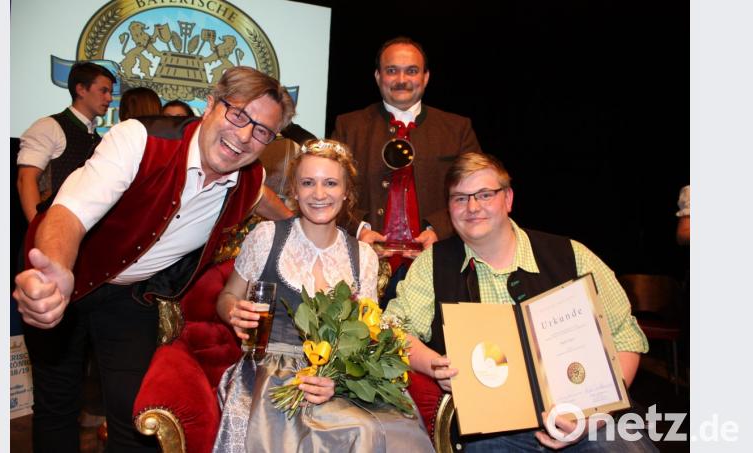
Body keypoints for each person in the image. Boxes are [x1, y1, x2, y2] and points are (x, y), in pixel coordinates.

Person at [13, 66, 295, 452]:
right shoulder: (140, 139)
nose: (245, 136)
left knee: (136, 418)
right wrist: (56, 271)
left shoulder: (250, 179)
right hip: (61, 277)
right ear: (210, 105)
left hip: (130, 296)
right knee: (57, 405)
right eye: (238, 114)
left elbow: (273, 205)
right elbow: (69, 213)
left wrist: (335, 228)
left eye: (262, 131)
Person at [385, 153, 657, 452]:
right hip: (491, 430)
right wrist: (432, 365)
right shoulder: (433, 264)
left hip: (589, 421)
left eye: (485, 194)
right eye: (460, 198)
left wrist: (598, 414)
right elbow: (393, 331)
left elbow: (624, 337)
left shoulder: (571, 255)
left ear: (508, 198)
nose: (472, 207)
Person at [214, 139, 434, 453]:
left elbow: (365, 338)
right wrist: (233, 309)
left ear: (346, 192)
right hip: (271, 374)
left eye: (330, 183)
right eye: (308, 183)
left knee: (393, 427)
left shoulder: (363, 256)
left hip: (335, 377)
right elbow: (226, 296)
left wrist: (338, 379)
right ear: (294, 190)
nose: (319, 194)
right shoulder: (266, 238)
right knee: (357, 429)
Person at [331, 36, 481, 303]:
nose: (401, 80)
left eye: (411, 71)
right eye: (392, 70)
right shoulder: (349, 126)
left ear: (425, 77)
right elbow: (328, 189)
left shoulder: (456, 129)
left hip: (438, 264)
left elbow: (478, 191)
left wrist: (440, 230)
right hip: (363, 266)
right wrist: (359, 229)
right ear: (378, 76)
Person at [16, 62, 116, 222]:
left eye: (110, 92)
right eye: (103, 91)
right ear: (81, 89)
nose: (109, 98)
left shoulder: (98, 139)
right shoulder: (49, 126)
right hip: (50, 230)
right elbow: (25, 179)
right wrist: (39, 230)